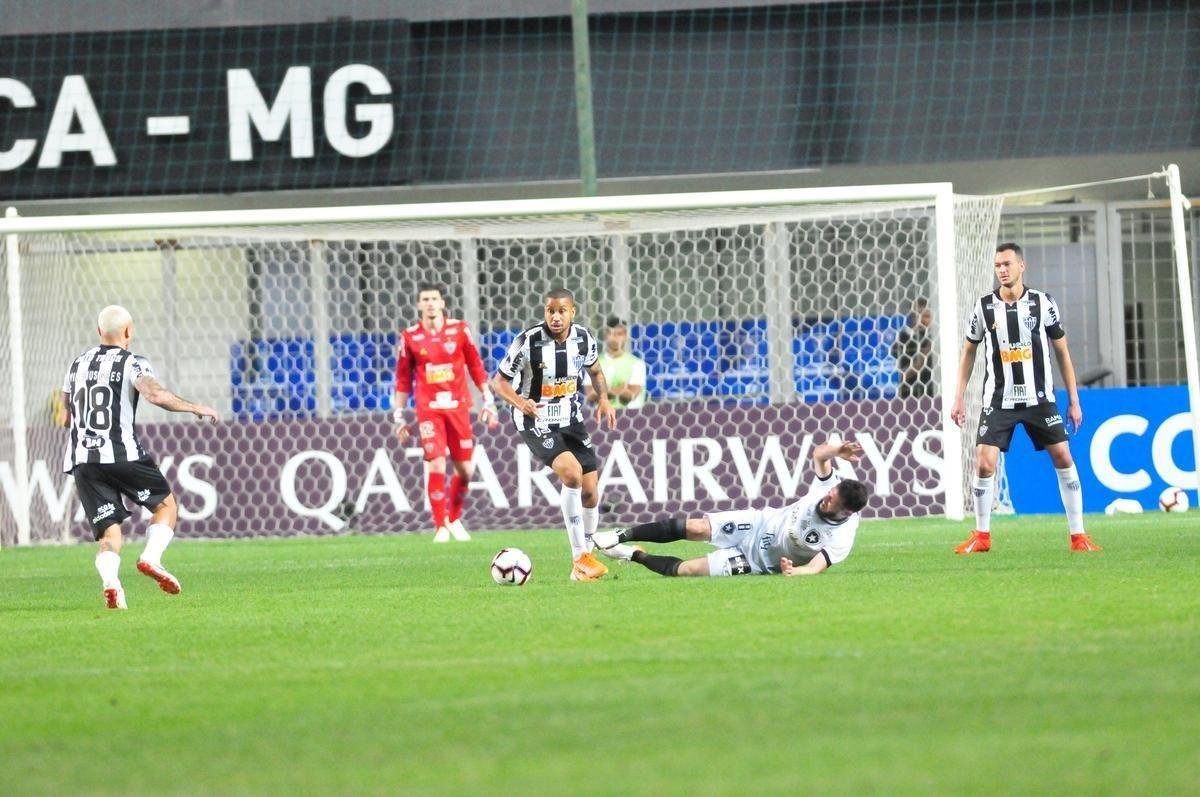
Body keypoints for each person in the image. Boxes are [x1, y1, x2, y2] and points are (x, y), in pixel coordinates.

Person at [62, 305, 219, 609]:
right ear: (128, 332)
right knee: (166, 506)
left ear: (99, 332)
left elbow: (66, 416)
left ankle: (112, 584)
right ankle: (151, 557)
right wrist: (195, 407)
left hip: (83, 460)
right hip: (122, 455)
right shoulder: (133, 362)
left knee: (109, 534)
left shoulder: (76, 364)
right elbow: (155, 394)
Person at [950, 243, 1101, 554]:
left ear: (1021, 266)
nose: (1002, 270)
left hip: (1039, 398)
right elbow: (968, 352)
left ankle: (1079, 536)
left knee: (1063, 457)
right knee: (984, 462)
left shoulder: (1043, 303)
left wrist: (1074, 400)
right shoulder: (984, 307)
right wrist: (959, 397)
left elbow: (1062, 352)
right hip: (998, 399)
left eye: (1007, 264)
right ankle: (981, 536)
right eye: (998, 265)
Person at [592, 441, 870, 577]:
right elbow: (819, 454)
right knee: (697, 527)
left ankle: (634, 554)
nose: (825, 500)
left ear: (846, 513)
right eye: (829, 494)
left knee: (686, 571)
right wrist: (837, 451)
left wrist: (793, 572)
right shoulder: (827, 487)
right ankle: (619, 535)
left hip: (757, 561)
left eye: (832, 502)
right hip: (759, 523)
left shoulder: (841, 537)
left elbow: (815, 567)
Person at [490, 288, 618, 581]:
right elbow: (499, 382)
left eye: (562, 311)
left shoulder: (584, 339)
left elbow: (596, 371)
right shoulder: (527, 341)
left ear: (573, 312)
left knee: (590, 492)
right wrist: (521, 403)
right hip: (534, 418)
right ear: (544, 312)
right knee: (571, 473)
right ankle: (579, 558)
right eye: (550, 311)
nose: (556, 317)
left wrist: (604, 399)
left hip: (571, 419)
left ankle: (584, 564)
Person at [393, 283, 498, 542]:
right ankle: (440, 525)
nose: (430, 303)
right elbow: (403, 378)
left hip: (458, 407)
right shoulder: (410, 336)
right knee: (436, 462)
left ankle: (453, 517)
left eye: (434, 298)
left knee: (465, 470)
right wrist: (398, 414)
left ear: (442, 303)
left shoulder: (459, 329)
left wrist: (487, 398)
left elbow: (475, 364)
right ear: (419, 305)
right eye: (425, 299)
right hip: (429, 409)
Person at [583, 316, 647, 410]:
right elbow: (590, 396)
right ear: (606, 335)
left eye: (619, 334)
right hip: (602, 414)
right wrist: (620, 389)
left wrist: (603, 390)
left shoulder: (637, 364)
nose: (615, 338)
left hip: (630, 415)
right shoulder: (593, 363)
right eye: (611, 334)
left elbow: (631, 395)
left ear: (626, 336)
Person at [892, 299, 935, 398]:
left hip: (932, 392)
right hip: (910, 394)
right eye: (919, 315)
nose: (922, 320)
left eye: (926, 316)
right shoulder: (904, 338)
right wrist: (922, 358)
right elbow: (903, 374)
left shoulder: (936, 339)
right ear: (913, 317)